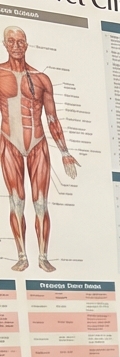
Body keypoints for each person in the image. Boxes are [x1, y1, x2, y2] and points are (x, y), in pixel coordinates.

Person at [0, 26, 79, 272]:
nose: (15, 45)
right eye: (11, 41)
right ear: (4, 44)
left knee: (41, 203)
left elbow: (52, 118)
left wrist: (65, 152)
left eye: (20, 41)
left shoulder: (42, 79)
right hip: (9, 142)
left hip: (38, 144)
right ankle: (22, 255)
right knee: (16, 202)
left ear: (26, 44)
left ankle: (43, 256)